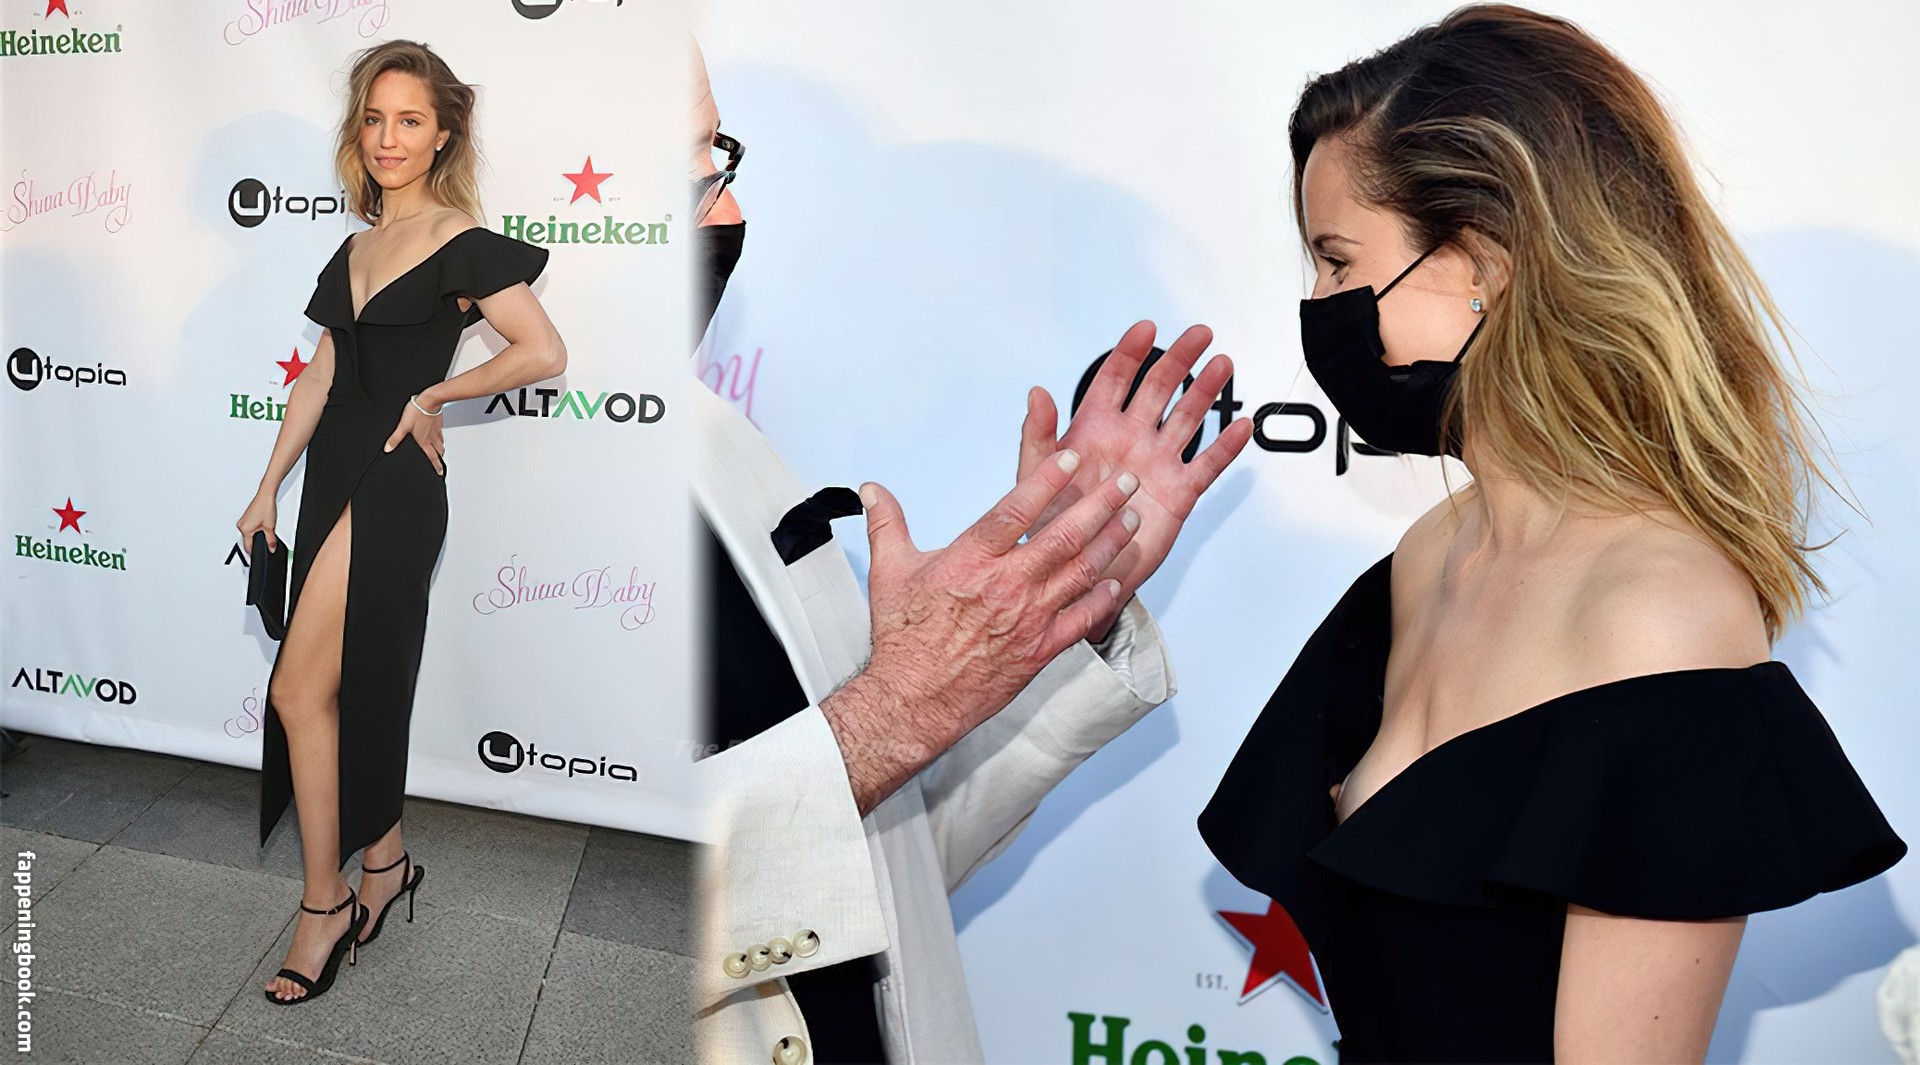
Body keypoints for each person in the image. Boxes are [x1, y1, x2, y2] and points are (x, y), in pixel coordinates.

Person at [1198, 6, 1907, 1061]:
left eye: (1338, 262)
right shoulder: (1431, 555)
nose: (1318, 302)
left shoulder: (1660, 617)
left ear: (1481, 264)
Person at [687, 42, 1254, 1061]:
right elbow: (536, 903)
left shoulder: (714, 439)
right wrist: (894, 712)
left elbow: (877, 866)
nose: (729, 212)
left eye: (716, 155)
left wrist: (1056, 592)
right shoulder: (438, 485)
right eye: (681, 172)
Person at [236, 40, 565, 1005]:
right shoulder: (354, 246)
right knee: (354, 685)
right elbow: (322, 376)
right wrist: (267, 485)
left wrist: (433, 396)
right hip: (334, 474)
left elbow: (542, 350)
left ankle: (324, 905)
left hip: (393, 481)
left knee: (300, 690)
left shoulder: (461, 240)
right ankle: (385, 865)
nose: (389, 138)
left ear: (444, 134)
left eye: (410, 120)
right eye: (375, 119)